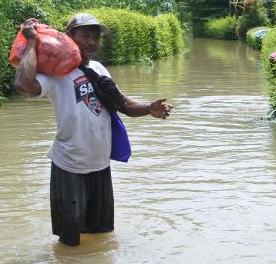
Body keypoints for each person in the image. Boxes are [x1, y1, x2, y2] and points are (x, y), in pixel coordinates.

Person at [14, 13, 173, 247]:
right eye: (85, 35)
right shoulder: (57, 72)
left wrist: (150, 108)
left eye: (96, 37)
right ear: (69, 38)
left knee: (102, 236)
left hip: (99, 164)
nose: (91, 42)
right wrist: (32, 42)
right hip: (70, 165)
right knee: (69, 242)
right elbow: (23, 84)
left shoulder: (99, 69)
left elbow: (123, 104)